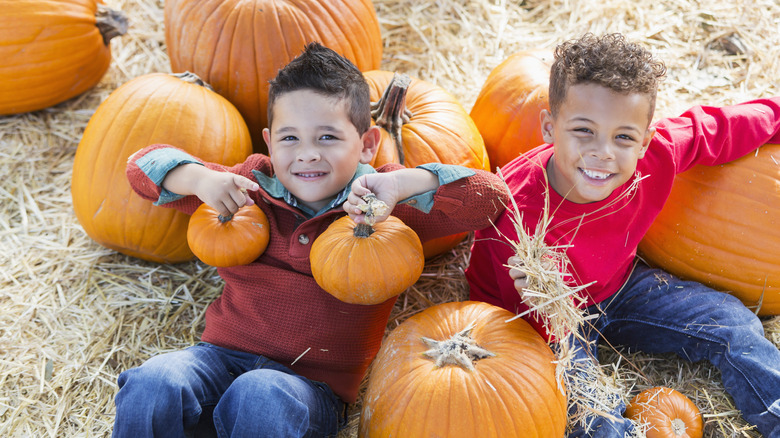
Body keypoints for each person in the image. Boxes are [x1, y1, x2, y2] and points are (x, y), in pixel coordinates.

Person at [114, 42, 508, 438]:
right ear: (269, 142)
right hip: (218, 358)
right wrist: (198, 179)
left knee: (260, 394)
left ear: (367, 144)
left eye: (327, 138)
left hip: (307, 389)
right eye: (290, 139)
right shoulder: (249, 187)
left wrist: (403, 183)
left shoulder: (381, 205)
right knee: (155, 380)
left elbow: (490, 199)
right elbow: (140, 168)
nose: (306, 154)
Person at [466, 33, 780, 437]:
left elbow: (718, 129)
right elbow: (528, 315)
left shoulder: (657, 154)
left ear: (645, 139)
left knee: (728, 321)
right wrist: (540, 306)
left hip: (617, 286)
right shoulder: (519, 205)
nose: (604, 152)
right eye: (583, 130)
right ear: (549, 126)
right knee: (586, 404)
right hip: (541, 318)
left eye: (624, 137)